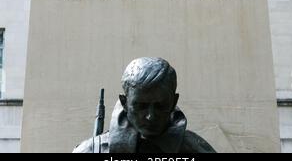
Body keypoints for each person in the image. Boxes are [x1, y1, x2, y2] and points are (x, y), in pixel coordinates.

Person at [73, 57, 216, 153]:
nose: (150, 116)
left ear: (173, 102)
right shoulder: (91, 150)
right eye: (141, 106)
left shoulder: (197, 149)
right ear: (124, 103)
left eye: (160, 106)